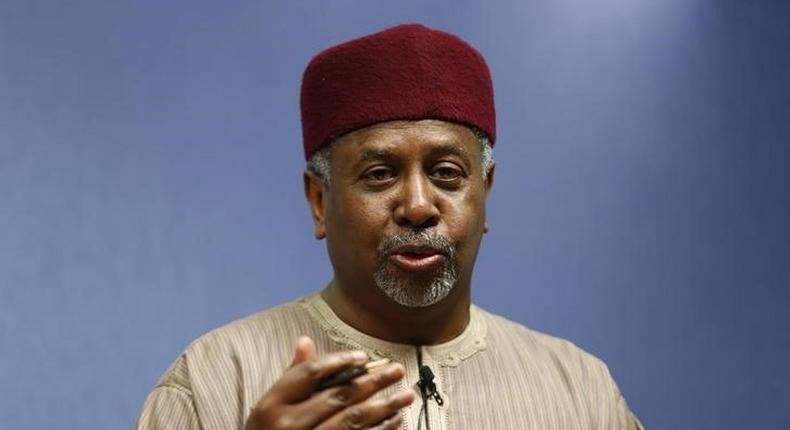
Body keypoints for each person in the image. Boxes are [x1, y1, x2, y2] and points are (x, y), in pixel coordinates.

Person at [135, 24, 644, 430]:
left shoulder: (581, 391)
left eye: (447, 173)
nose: (419, 206)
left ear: (485, 193)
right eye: (379, 175)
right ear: (319, 201)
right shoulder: (213, 380)